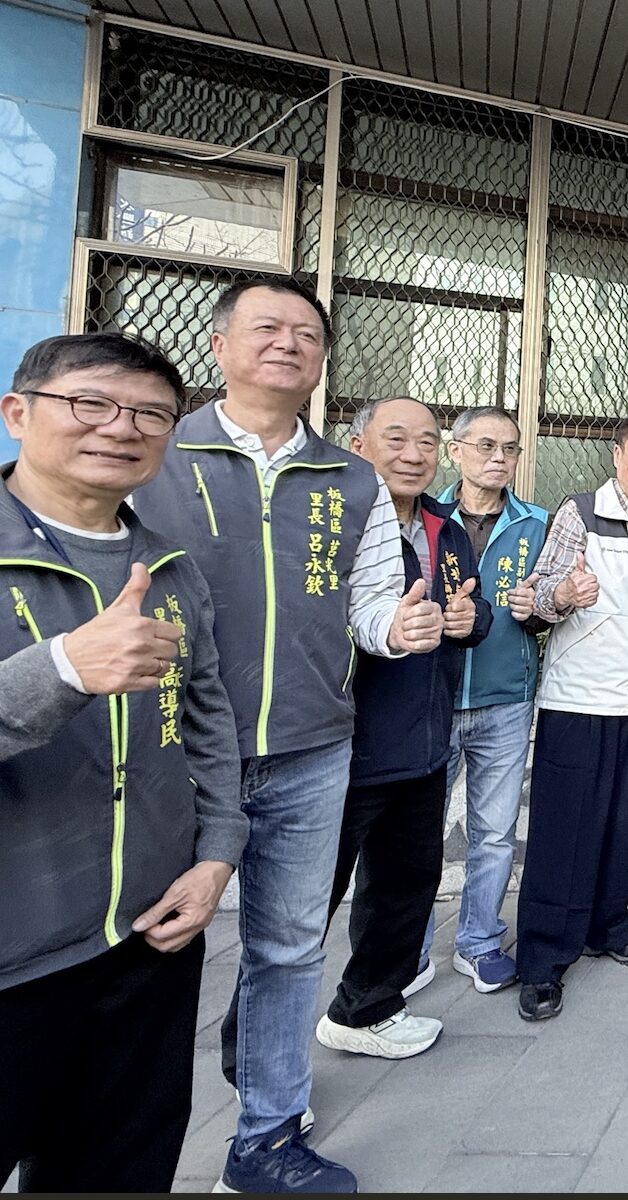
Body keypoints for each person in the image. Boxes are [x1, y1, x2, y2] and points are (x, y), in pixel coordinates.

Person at [132, 278, 438, 1193]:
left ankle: (265, 1137)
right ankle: (117, 1143)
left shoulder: (351, 478)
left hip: (311, 748)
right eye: (267, 327)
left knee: (290, 947)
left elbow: (368, 603)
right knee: (145, 954)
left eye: (307, 333)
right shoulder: (157, 454)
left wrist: (398, 627)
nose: (288, 344)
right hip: (170, 750)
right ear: (219, 345)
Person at [0, 333, 247, 1191]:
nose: (121, 427)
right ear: (18, 412)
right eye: (91, 403)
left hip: (146, 945)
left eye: (150, 413)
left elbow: (209, 724)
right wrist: (62, 669)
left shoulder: (169, 567)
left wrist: (218, 854)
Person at [313, 397, 491, 1061]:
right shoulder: (331, 525)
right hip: (342, 746)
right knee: (306, 909)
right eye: (396, 439)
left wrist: (470, 622)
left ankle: (366, 1008)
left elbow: (474, 608)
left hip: (423, 743)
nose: (413, 455)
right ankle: (258, 1069)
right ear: (358, 446)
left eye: (426, 442)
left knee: (405, 887)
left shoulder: (445, 527)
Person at [511, 414, 628, 1021]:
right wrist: (563, 596)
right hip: (580, 701)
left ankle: (608, 924)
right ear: (617, 455)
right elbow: (538, 595)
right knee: (564, 830)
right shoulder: (581, 513)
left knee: (621, 823)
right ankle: (542, 958)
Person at [415, 406, 548, 995]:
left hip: (505, 698)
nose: (499, 457)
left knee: (494, 833)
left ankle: (479, 942)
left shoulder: (537, 524)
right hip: (431, 699)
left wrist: (541, 608)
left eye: (510, 448)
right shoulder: (425, 519)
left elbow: (554, 605)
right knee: (417, 831)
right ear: (456, 451)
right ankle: (408, 951)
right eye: (486, 445)